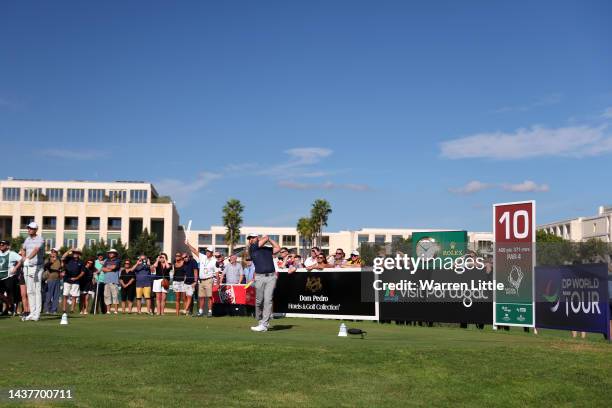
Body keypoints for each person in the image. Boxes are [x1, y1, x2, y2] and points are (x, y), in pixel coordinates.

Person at [248, 233, 282, 332]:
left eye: (253, 237)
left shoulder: (267, 249)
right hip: (259, 277)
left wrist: (270, 239)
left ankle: (264, 324)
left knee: (268, 300)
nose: (251, 239)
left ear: (257, 238)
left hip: (271, 277)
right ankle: (260, 321)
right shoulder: (252, 248)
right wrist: (266, 237)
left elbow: (278, 248)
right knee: (259, 301)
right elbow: (265, 238)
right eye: (250, 238)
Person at [184, 242, 216, 318]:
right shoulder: (202, 257)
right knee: (201, 297)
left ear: (211, 253)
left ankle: (210, 312)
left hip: (209, 280)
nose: (207, 252)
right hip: (201, 280)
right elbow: (194, 250)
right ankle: (200, 312)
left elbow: (217, 272)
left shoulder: (214, 261)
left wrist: (217, 282)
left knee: (209, 297)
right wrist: (188, 244)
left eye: (209, 251)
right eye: (207, 251)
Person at [22, 222, 45, 321]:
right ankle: (32, 312)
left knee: (37, 290)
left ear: (36, 230)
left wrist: (28, 258)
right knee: (29, 291)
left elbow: (36, 250)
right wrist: (24, 258)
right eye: (28, 228)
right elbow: (23, 249)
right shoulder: (27, 239)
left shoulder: (40, 239)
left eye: (31, 228)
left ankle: (37, 314)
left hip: (37, 267)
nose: (29, 230)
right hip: (27, 267)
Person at [0, 239, 23, 316]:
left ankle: (9, 309)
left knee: (10, 294)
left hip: (9, 276)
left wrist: (15, 268)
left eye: (3, 245)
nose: (1, 246)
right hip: (0, 276)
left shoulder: (12, 253)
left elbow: (21, 259)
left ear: (7, 246)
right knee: (1, 294)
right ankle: (10, 306)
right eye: (0, 244)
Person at [61, 249, 84, 314]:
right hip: (67, 279)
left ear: (79, 254)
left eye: (76, 252)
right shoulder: (68, 258)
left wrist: (76, 278)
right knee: (65, 294)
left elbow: (82, 272)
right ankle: (64, 309)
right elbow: (63, 257)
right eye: (74, 252)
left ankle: (72, 310)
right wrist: (70, 250)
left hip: (76, 280)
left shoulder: (81, 262)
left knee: (74, 296)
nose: (75, 253)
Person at [103, 249, 121, 314]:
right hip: (106, 281)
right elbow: (103, 269)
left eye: (112, 253)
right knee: (107, 295)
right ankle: (108, 310)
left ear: (115, 254)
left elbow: (114, 267)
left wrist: (108, 268)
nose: (110, 254)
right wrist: (110, 269)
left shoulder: (118, 260)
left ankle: (116, 310)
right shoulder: (106, 260)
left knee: (115, 295)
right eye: (109, 253)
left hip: (114, 281)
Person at [43, 248, 61, 314]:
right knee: (48, 295)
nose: (53, 253)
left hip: (57, 279)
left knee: (56, 296)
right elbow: (45, 267)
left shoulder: (59, 260)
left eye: (55, 252)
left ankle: (54, 310)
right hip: (50, 279)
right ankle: (47, 309)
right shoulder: (47, 260)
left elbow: (61, 268)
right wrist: (51, 262)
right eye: (52, 252)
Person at [16, 248, 29, 318]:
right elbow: (17, 268)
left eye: (23, 251)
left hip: (28, 277)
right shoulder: (20, 260)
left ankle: (29, 310)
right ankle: (25, 311)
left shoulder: (28, 258)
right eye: (21, 252)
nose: (21, 253)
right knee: (23, 295)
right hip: (22, 277)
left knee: (28, 294)